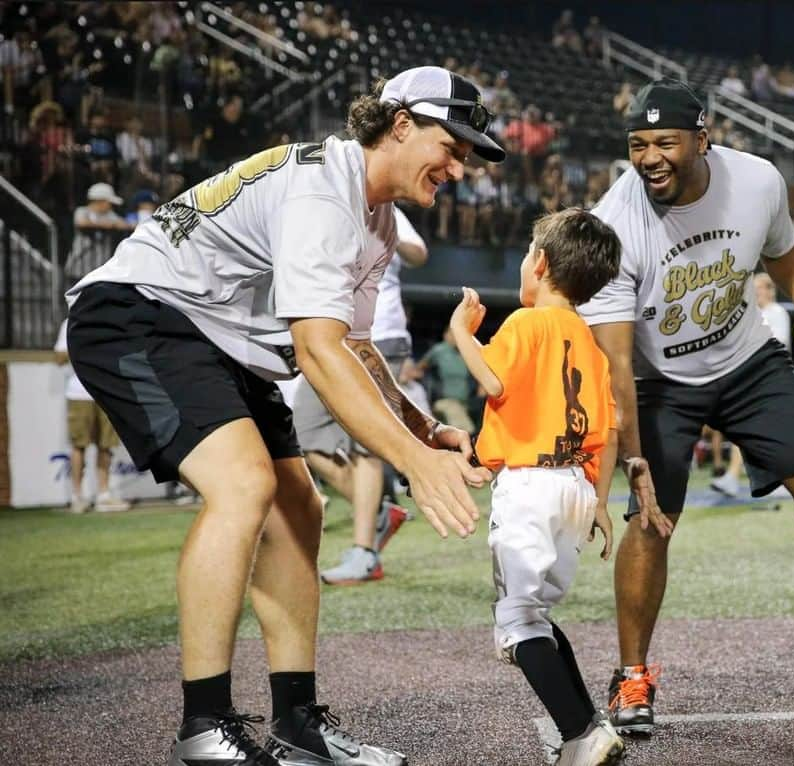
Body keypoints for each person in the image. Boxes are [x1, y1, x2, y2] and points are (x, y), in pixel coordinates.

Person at [65, 65, 504, 766]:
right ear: (399, 126)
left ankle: (297, 724)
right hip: (139, 313)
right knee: (246, 487)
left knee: (297, 505)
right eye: (451, 146)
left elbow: (354, 347)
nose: (460, 167)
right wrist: (414, 463)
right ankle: (204, 726)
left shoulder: (376, 219)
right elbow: (316, 349)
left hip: (212, 334)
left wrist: (425, 429)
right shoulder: (323, 190)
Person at [579, 80, 794, 736]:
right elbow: (617, 360)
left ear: (703, 139)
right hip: (658, 382)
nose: (649, 157)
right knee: (652, 521)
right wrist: (633, 457)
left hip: (745, 359)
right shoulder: (614, 225)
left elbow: (786, 254)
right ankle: (631, 679)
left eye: (665, 142)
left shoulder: (759, 181)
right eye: (638, 145)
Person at [449, 208, 646, 765]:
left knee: (517, 625)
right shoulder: (590, 340)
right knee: (536, 617)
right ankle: (586, 725)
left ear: (539, 263)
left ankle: (582, 734)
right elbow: (608, 433)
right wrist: (602, 503)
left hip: (531, 487)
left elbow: (491, 379)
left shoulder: (523, 322)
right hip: (576, 491)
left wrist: (462, 332)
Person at [297, 206, 428, 585]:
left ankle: (364, 554)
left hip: (380, 333)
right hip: (330, 336)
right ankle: (378, 514)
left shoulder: (384, 208)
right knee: (303, 434)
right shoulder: (321, 205)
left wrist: (387, 234)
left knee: (366, 443)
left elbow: (419, 254)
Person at [709, 272, 791, 497]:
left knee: (775, 434)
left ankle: (780, 481)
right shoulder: (753, 314)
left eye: (758, 288)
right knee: (745, 430)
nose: (754, 292)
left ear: (768, 289)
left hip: (772, 378)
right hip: (753, 379)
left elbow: (779, 342)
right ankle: (733, 478)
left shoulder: (777, 312)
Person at [54, 319, 131, 513]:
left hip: (106, 391)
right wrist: (87, 345)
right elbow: (59, 357)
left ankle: (103, 496)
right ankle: (77, 497)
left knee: (106, 444)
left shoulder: (107, 319)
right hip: (79, 393)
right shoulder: (71, 323)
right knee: (78, 444)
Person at [417, 325, 477, 434]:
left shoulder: (465, 351)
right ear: (446, 335)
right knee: (466, 430)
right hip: (445, 400)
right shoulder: (439, 351)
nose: (455, 337)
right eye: (452, 334)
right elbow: (419, 368)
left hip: (465, 403)